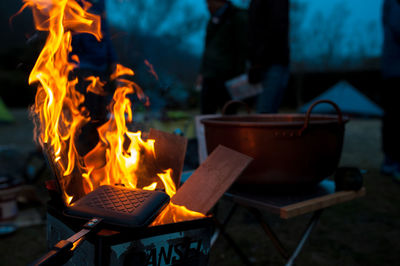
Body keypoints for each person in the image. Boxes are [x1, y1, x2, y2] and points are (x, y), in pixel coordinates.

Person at [71, 0, 118, 155]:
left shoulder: (100, 5)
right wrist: (73, 59)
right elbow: (72, 33)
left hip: (101, 68)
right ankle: (83, 156)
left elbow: (106, 37)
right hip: (83, 68)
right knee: (86, 115)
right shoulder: (75, 4)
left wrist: (112, 61)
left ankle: (100, 156)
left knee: (101, 114)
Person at [198, 0, 247, 114]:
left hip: (228, 76)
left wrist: (240, 74)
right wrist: (202, 72)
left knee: (228, 113)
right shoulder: (213, 20)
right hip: (209, 75)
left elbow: (243, 47)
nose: (208, 6)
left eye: (209, 3)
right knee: (206, 114)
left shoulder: (237, 17)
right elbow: (207, 48)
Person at [247, 0, 290, 114]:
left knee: (264, 114)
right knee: (263, 113)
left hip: (272, 64)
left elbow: (276, 29)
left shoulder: (273, 4)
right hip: (265, 64)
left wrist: (257, 61)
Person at [381, 0, 400, 182]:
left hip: (392, 70)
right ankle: (390, 161)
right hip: (394, 71)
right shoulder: (393, 4)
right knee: (393, 117)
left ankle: (391, 160)